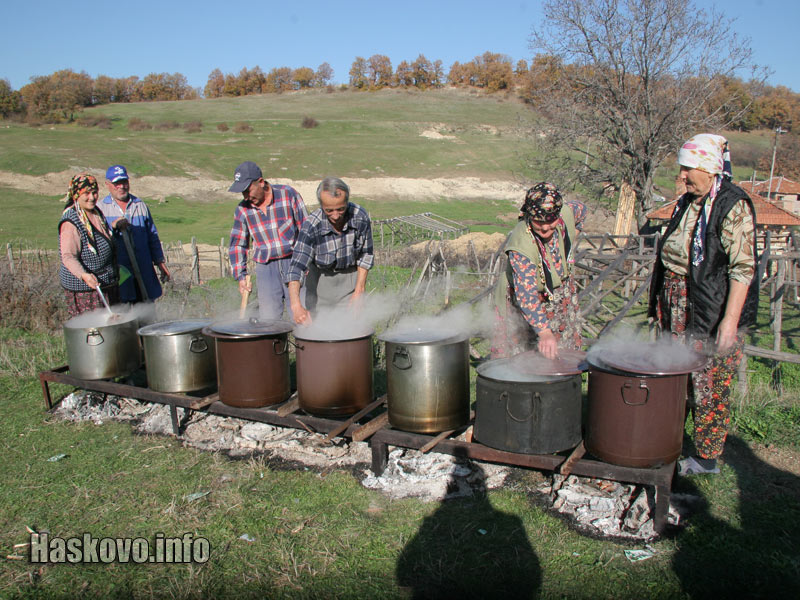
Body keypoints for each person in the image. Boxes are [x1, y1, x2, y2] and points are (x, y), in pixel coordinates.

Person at [648, 133, 759, 476]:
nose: (681, 176)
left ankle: (707, 458)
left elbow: (743, 267)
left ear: (709, 168)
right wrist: (660, 303)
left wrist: (729, 322)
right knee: (675, 375)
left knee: (708, 381)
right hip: (677, 304)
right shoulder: (687, 201)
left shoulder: (732, 204)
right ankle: (671, 440)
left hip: (709, 308)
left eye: (688, 169)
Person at [491, 182, 587, 359]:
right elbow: (526, 295)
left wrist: (574, 233)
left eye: (551, 222)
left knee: (561, 350)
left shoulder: (566, 213)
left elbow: (581, 209)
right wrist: (544, 332)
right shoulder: (522, 244)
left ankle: (560, 380)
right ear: (529, 215)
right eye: (538, 222)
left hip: (559, 292)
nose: (545, 228)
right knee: (522, 355)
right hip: (522, 297)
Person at [286, 177, 374, 325]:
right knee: (320, 330)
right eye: (329, 210)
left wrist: (359, 292)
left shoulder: (360, 217)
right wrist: (296, 306)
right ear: (321, 206)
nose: (335, 215)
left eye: (341, 209)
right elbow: (297, 267)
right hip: (320, 283)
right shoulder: (312, 225)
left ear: (347, 202)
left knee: (351, 328)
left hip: (350, 280)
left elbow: (365, 255)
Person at [228, 161, 308, 320]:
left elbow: (306, 231)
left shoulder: (288, 195)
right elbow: (238, 245)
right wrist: (241, 276)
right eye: (242, 193)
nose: (246, 196)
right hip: (266, 268)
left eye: (248, 190)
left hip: (294, 262)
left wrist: (307, 263)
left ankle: (305, 343)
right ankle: (276, 345)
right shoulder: (243, 210)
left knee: (301, 315)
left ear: (261, 182)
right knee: (269, 321)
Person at [97, 165, 170, 303]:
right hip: (119, 273)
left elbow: (152, 236)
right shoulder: (101, 209)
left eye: (124, 182)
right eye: (116, 183)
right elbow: (98, 240)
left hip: (143, 268)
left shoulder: (139, 205)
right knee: (124, 311)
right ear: (107, 184)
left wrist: (159, 261)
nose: (121, 187)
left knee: (146, 310)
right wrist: (112, 227)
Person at [58, 174, 119, 317]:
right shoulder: (71, 222)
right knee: (95, 333)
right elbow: (68, 256)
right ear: (76, 195)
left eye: (94, 192)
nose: (92, 197)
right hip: (86, 291)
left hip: (105, 284)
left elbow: (102, 235)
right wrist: (84, 275)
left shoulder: (96, 213)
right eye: (86, 193)